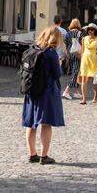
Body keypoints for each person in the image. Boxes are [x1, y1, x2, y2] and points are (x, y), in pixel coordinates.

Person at [22, 24, 65, 164]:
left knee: (31, 124)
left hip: (31, 90)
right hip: (46, 91)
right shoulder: (51, 52)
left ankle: (32, 154)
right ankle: (44, 156)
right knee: (46, 124)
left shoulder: (34, 49)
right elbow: (57, 74)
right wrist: (59, 63)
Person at [78, 23, 97, 103]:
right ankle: (84, 99)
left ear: (95, 31)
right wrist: (81, 62)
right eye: (89, 29)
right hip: (85, 60)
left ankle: (96, 96)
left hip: (94, 60)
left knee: (95, 80)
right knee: (84, 79)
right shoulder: (84, 39)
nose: (90, 31)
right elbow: (82, 51)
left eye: (92, 29)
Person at [62, 19, 84, 100]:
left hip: (70, 54)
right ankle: (66, 91)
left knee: (75, 72)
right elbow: (83, 44)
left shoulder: (68, 34)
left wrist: (67, 54)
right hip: (78, 55)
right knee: (76, 73)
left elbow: (65, 44)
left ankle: (76, 92)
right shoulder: (80, 33)